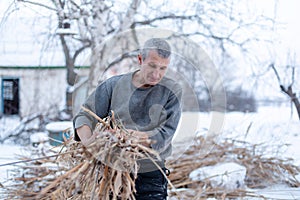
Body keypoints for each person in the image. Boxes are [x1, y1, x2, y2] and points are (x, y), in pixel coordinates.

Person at [73, 38, 182, 200]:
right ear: (140, 60)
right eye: (152, 66)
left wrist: (136, 137)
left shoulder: (172, 91)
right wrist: (90, 143)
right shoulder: (113, 85)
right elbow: (84, 116)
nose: (156, 74)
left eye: (162, 68)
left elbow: (166, 134)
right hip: (113, 173)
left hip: (151, 173)